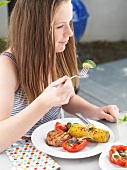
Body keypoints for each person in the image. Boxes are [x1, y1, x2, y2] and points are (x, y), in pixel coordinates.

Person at [0, 0, 119, 153]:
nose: (69, 32)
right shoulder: (7, 67)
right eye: (60, 26)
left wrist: (96, 111)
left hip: (58, 148)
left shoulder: (53, 51)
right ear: (33, 31)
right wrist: (43, 103)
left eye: (69, 23)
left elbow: (64, 98)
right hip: (22, 153)